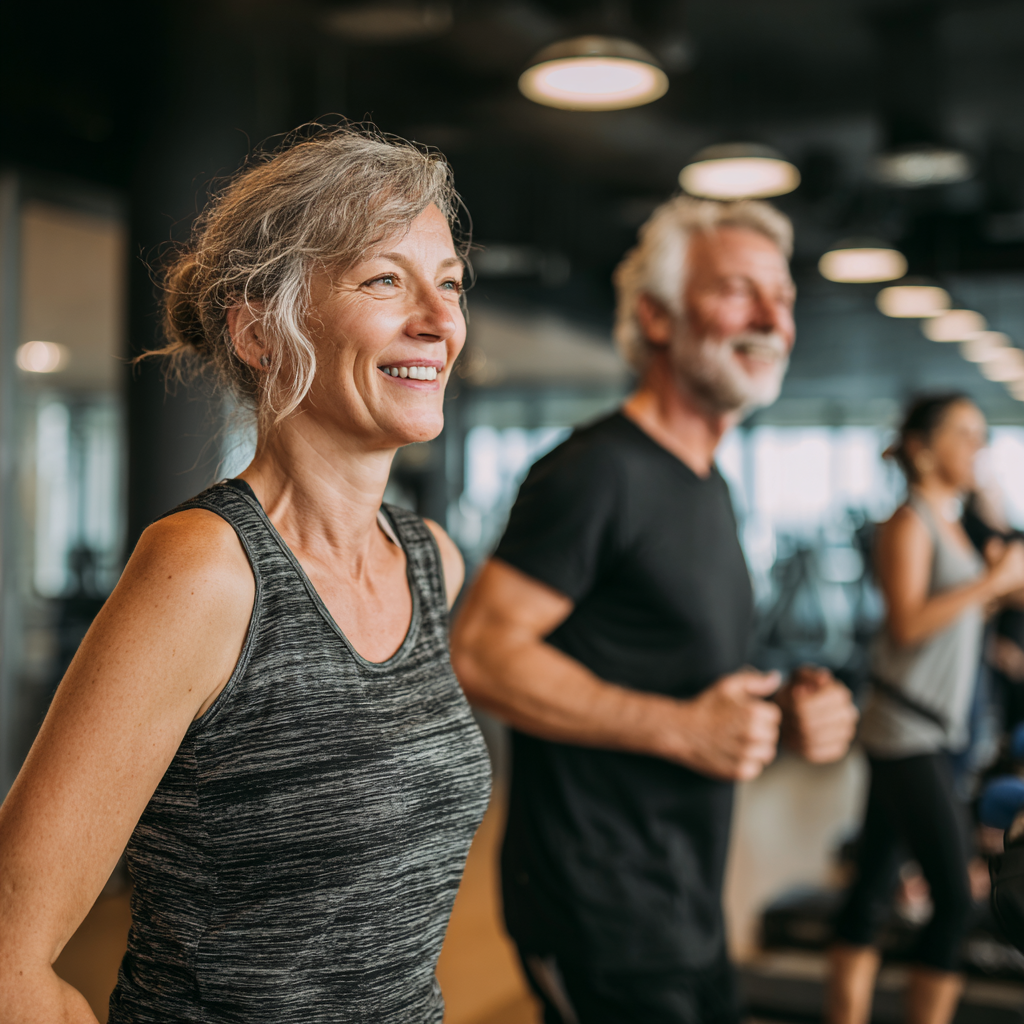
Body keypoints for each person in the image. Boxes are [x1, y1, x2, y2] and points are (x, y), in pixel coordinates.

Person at [0, 126, 491, 1023]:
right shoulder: (206, 572)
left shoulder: (431, 563)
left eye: (450, 284)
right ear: (262, 331)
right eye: (387, 280)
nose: (439, 319)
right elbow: (6, 960)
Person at [450, 196, 859, 1024]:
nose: (771, 318)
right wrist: (679, 727)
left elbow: (678, 667)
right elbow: (484, 651)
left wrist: (787, 709)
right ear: (657, 317)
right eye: (738, 290)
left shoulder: (711, 486)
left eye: (781, 298)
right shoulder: (595, 473)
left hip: (688, 895)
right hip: (596, 904)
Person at [828, 394, 1024, 1024]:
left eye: (981, 435)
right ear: (922, 447)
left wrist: (991, 592)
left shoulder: (951, 521)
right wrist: (990, 584)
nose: (978, 448)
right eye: (965, 435)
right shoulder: (908, 522)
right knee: (954, 900)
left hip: (933, 731)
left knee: (872, 886)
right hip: (905, 730)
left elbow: (955, 617)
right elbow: (909, 625)